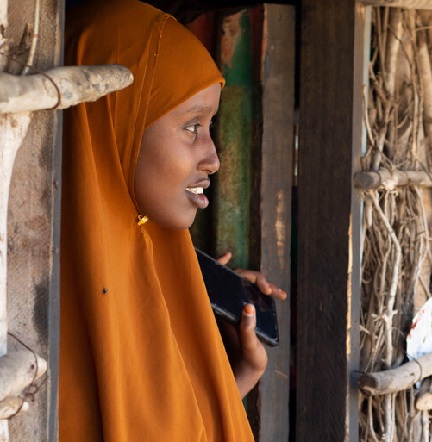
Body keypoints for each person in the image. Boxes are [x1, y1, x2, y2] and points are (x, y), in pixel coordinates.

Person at [60, 0, 285, 440]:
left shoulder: (159, 264)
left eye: (210, 125)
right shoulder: (33, 312)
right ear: (116, 120)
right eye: (191, 126)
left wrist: (233, 377)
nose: (214, 159)